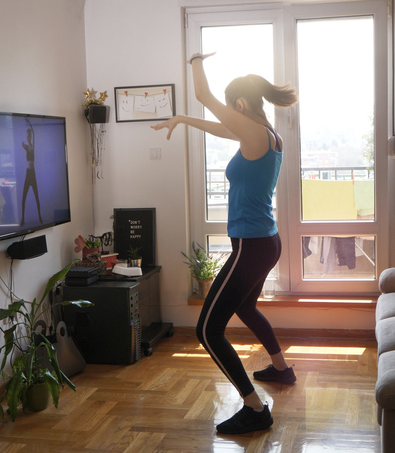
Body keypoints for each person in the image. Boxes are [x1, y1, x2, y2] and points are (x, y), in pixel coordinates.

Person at [152, 52, 298, 435]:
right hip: (263, 241)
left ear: (240, 105)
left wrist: (195, 60)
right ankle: (282, 370)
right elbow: (217, 126)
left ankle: (254, 409)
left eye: (231, 109)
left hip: (251, 245)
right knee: (246, 307)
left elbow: (204, 94)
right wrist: (183, 119)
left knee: (207, 330)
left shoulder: (254, 133)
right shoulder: (265, 133)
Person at [20, 118, 42, 227]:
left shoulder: (33, 146)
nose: (29, 137)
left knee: (37, 196)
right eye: (27, 136)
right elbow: (22, 144)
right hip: (27, 173)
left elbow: (33, 133)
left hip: (33, 173)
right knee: (23, 197)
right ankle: (23, 219)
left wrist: (29, 124)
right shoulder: (25, 146)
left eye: (30, 136)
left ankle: (40, 217)